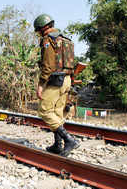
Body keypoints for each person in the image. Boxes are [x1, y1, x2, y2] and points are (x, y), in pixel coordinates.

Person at [33, 14, 80, 157]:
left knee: (45, 111)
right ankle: (57, 145)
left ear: (41, 28)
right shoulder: (66, 40)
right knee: (58, 112)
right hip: (67, 80)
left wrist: (41, 85)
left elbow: (47, 65)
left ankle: (69, 140)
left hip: (55, 81)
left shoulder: (48, 40)